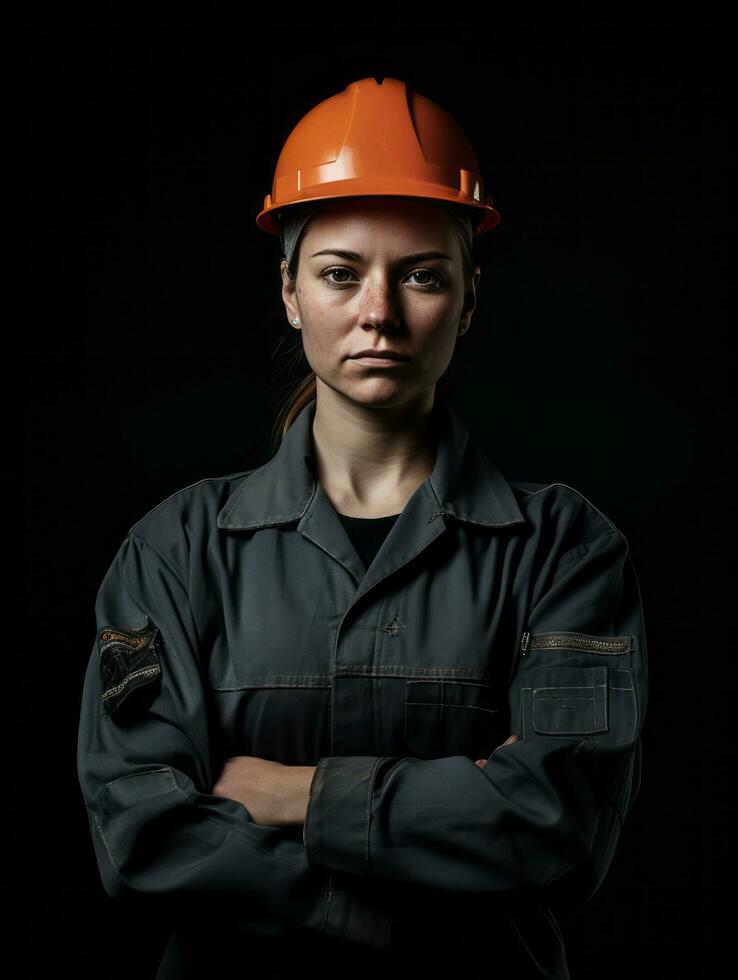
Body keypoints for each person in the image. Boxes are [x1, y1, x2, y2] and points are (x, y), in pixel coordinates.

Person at [77, 77, 648, 980]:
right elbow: (142, 831)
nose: (378, 313)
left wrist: (293, 793)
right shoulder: (176, 551)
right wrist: (395, 888)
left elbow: (559, 829)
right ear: (291, 294)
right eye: (340, 273)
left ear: (466, 300)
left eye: (421, 275)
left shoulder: (563, 548)